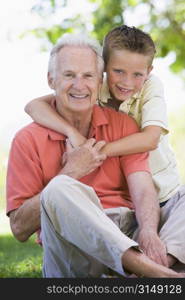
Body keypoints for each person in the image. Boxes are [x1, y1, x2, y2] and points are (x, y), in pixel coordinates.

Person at [6, 33, 185, 278]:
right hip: (75, 251)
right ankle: (158, 274)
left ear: (99, 80)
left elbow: (143, 188)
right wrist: (72, 171)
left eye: (88, 75)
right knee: (59, 188)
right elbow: (18, 229)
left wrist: (149, 231)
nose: (79, 85)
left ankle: (150, 268)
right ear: (51, 80)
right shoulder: (27, 140)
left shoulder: (124, 125)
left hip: (128, 231)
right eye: (69, 75)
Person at [25, 25, 181, 206]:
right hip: (125, 194)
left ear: (149, 71)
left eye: (137, 74)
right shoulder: (94, 87)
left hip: (162, 190)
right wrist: (72, 133)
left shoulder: (151, 86)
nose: (127, 82)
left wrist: (91, 153)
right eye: (119, 71)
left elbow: (150, 139)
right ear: (104, 66)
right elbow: (33, 106)